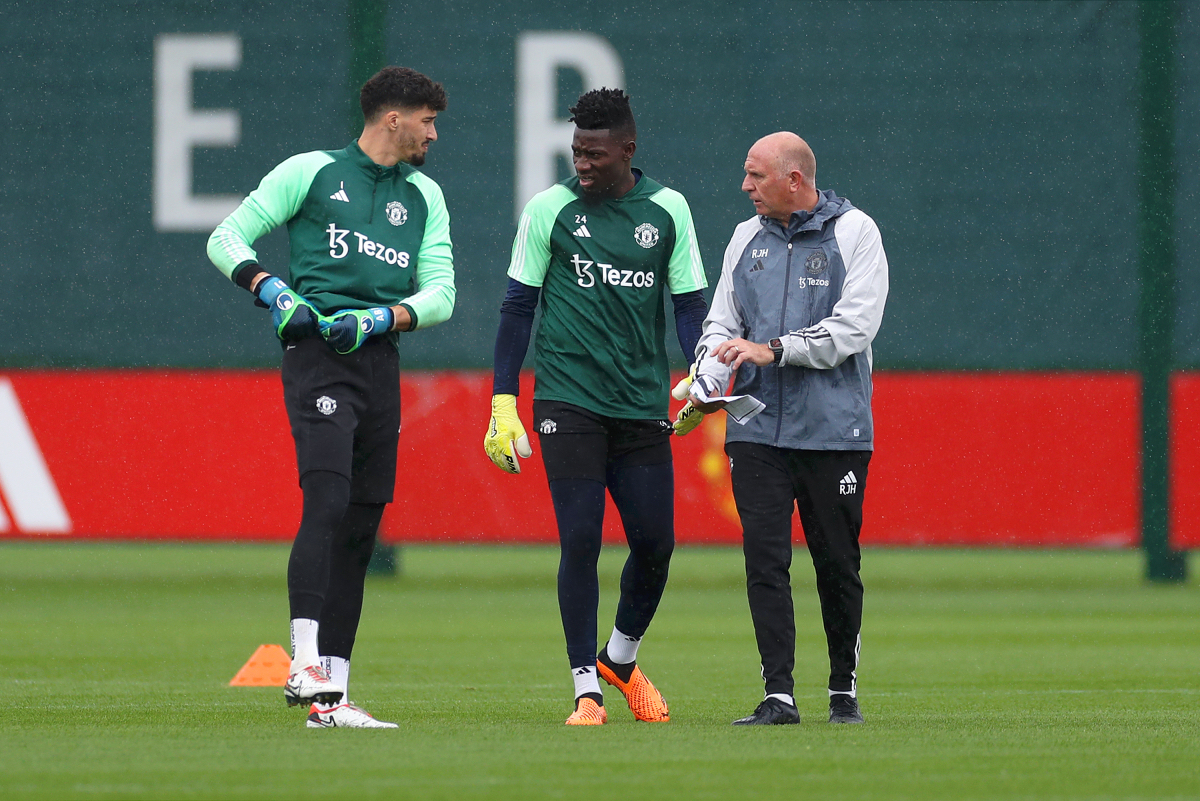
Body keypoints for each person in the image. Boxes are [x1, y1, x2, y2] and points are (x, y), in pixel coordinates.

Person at [206, 66, 455, 729]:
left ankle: (331, 700)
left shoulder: (425, 195)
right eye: (428, 120)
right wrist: (272, 288)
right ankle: (303, 660)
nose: (434, 133)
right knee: (328, 497)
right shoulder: (310, 172)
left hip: (378, 358)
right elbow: (225, 237)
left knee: (361, 525)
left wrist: (380, 318)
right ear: (393, 119)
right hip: (317, 354)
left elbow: (442, 294)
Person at [483, 88, 709, 725]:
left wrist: (698, 373)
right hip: (567, 398)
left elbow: (689, 304)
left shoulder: (668, 210)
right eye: (576, 151)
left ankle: (620, 657)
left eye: (595, 153)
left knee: (656, 544)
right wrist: (504, 401)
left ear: (628, 151)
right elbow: (517, 308)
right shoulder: (548, 209)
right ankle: (586, 686)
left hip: (640, 404)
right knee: (581, 539)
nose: (582, 163)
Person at [680, 131, 888, 725]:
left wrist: (775, 349)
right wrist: (707, 373)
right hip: (756, 431)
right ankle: (779, 694)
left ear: (793, 179)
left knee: (836, 563)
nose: (744, 188)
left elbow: (855, 328)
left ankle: (842, 689)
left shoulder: (857, 234)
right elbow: (721, 321)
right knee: (765, 561)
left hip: (833, 432)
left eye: (754, 176)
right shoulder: (746, 238)